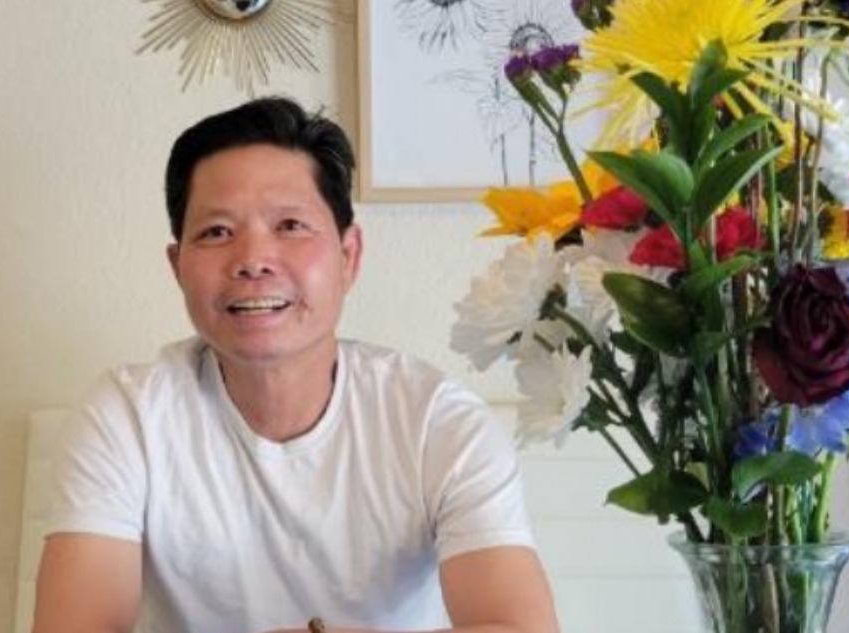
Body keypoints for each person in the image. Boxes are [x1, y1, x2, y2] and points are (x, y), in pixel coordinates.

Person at [33, 96, 559, 633]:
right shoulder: (128, 416)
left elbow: (520, 627)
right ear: (178, 266)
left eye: (289, 225)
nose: (252, 260)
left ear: (348, 256)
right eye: (217, 232)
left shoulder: (437, 423)